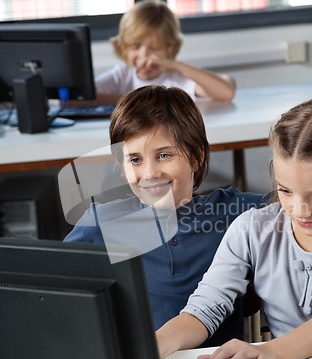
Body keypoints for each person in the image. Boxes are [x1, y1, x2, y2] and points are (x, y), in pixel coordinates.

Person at [156, 96, 312, 359]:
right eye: (285, 190)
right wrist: (154, 345)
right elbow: (204, 310)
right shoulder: (250, 229)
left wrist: (269, 352)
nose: (300, 210)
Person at [63, 85, 266, 339]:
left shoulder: (234, 212)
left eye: (164, 155)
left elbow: (296, 199)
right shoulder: (100, 223)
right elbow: (55, 296)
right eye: (135, 160)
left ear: (196, 157)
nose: (150, 174)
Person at [93, 0, 235, 105]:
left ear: (170, 48)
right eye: (136, 47)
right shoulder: (122, 75)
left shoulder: (177, 78)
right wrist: (138, 99)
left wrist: (178, 66)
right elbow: (80, 98)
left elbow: (226, 92)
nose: (144, 54)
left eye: (154, 48)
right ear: (124, 47)